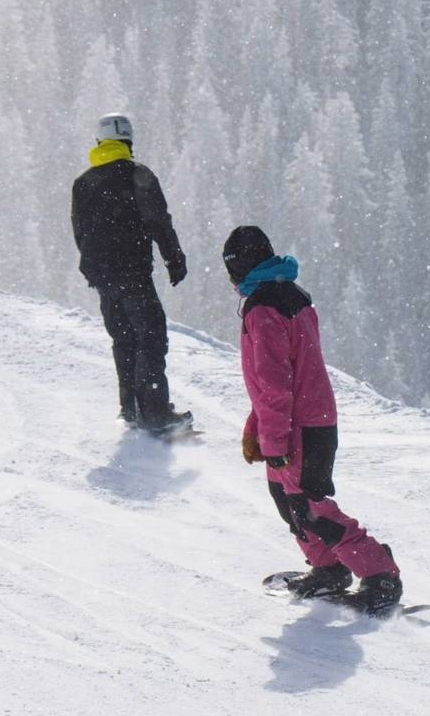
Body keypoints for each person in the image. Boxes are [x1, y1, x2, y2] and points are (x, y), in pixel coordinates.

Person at [224, 225, 403, 615]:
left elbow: (275, 382)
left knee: (309, 506)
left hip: (299, 427)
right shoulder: (291, 296)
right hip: (302, 420)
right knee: (287, 499)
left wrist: (273, 441)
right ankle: (328, 568)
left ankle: (380, 575)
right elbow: (282, 375)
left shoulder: (264, 308)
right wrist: (259, 424)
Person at [70, 113, 193, 435]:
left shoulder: (83, 183)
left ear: (100, 142)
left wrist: (91, 268)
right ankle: (155, 416)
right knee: (150, 338)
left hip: (104, 278)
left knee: (123, 339)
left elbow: (79, 230)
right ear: (128, 141)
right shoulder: (138, 176)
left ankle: (131, 409)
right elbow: (158, 221)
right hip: (134, 272)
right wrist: (174, 258)